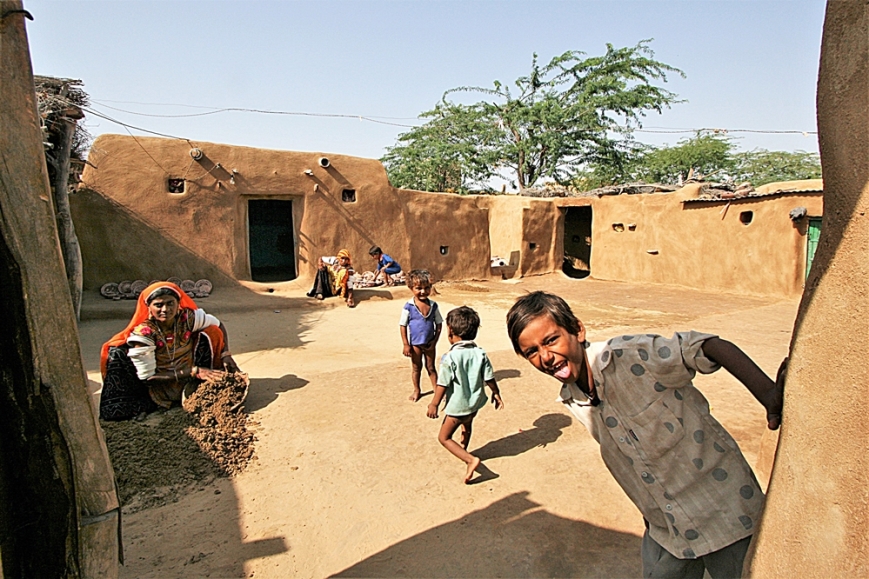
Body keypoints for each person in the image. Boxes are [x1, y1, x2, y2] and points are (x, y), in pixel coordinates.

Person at [506, 291, 785, 579]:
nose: (545, 357)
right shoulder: (574, 398)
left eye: (551, 340)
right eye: (532, 352)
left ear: (577, 329)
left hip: (723, 512)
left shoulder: (630, 355)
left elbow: (707, 346)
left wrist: (767, 394)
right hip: (667, 527)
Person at [99, 282, 240, 421]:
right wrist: (193, 371)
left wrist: (225, 354)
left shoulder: (187, 318)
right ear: (149, 307)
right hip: (160, 385)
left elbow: (218, 324)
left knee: (211, 332)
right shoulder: (144, 333)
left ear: (178, 303)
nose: (165, 309)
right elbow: (148, 378)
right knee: (117, 353)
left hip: (189, 378)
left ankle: (205, 386)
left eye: (170, 303)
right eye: (158, 305)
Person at [427, 306, 503, 483]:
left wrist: (434, 404)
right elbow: (489, 377)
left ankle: (470, 459)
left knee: (444, 437)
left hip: (458, 408)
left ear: (450, 332)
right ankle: (463, 449)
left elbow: (442, 383)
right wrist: (496, 393)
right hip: (474, 404)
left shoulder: (450, 357)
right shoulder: (480, 353)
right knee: (467, 425)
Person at [399, 269, 442, 402]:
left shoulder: (433, 306)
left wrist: (434, 342)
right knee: (416, 368)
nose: (423, 291)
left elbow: (439, 325)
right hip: (415, 345)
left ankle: (437, 392)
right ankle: (417, 390)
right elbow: (402, 325)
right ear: (411, 288)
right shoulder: (409, 307)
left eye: (427, 288)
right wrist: (406, 344)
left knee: (431, 367)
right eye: (418, 288)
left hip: (429, 343)